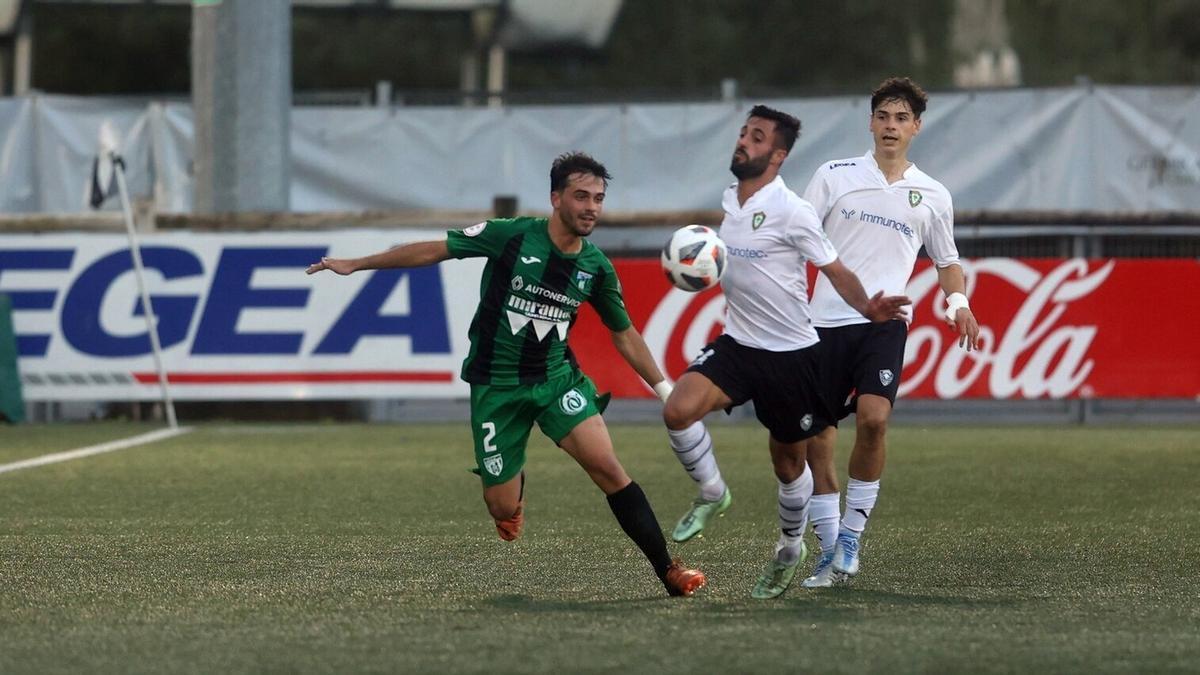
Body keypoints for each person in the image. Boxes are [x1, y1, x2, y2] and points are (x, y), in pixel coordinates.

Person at [307, 152, 706, 598]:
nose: (591, 206)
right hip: (496, 388)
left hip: (557, 382)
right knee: (501, 507)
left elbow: (624, 334)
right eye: (581, 196)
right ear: (555, 198)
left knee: (608, 468)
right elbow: (434, 250)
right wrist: (356, 264)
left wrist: (666, 390)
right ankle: (512, 490)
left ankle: (668, 569)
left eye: (598, 198)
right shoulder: (511, 236)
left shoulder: (595, 267)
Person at [661, 105, 910, 599]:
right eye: (743, 133)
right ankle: (713, 492)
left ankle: (790, 549)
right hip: (738, 345)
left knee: (789, 466)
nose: (743, 143)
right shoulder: (730, 199)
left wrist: (868, 308)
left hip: (792, 357)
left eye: (756, 138)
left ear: (777, 156)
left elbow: (834, 269)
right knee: (678, 410)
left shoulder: (793, 211)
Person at [799, 77, 981, 589]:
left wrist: (958, 301)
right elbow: (800, 239)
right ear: (870, 121)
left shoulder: (933, 195)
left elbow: (947, 262)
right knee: (817, 437)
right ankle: (829, 548)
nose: (891, 126)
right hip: (823, 323)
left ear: (917, 127)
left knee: (874, 420)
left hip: (885, 323)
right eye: (883, 116)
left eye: (902, 118)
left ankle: (852, 535)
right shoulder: (834, 176)